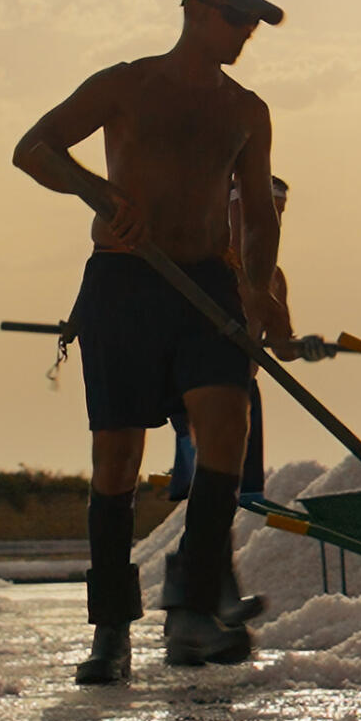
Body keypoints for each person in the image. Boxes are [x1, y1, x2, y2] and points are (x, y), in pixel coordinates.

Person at [14, 0, 292, 683]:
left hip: (206, 285)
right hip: (124, 282)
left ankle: (196, 605)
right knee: (116, 463)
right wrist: (98, 193)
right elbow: (33, 149)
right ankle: (111, 630)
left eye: (254, 23)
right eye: (236, 17)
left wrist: (257, 293)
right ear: (197, 11)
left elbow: (259, 213)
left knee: (226, 427)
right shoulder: (126, 84)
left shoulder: (246, 110)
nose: (246, 33)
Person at [159, 174, 284, 614]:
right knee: (210, 487)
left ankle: (195, 586)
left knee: (227, 495)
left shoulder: (272, 278)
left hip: (242, 392)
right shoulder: (205, 269)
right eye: (253, 210)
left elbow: (282, 342)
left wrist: (302, 346)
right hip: (198, 396)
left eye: (276, 213)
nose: (270, 221)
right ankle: (211, 588)